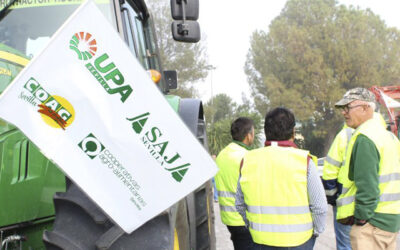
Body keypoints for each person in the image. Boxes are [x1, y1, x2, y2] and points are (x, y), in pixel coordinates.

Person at [235, 107, 327, 250]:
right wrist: (315, 233)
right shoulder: (305, 161)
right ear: (293, 132)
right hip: (299, 242)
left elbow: (240, 205)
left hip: (260, 241)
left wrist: (253, 227)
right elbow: (320, 208)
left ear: (266, 132)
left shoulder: (247, 160)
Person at [334, 87, 400, 250]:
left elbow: (367, 186)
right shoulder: (388, 136)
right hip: (389, 221)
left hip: (372, 224)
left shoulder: (365, 138)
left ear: (365, 108)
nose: (344, 112)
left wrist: (362, 219)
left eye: (347, 107)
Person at [322, 112, 386, 250]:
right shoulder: (388, 138)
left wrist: (334, 199)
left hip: (347, 206)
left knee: (346, 245)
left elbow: (329, 171)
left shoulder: (344, 136)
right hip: (381, 207)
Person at [215, 117, 255, 250]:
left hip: (229, 218)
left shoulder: (222, 154)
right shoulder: (247, 157)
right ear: (248, 135)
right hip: (244, 220)